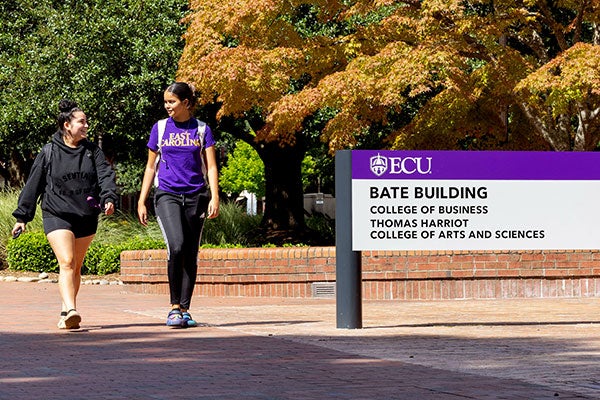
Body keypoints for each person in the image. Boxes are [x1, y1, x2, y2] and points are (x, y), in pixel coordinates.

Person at [12, 99, 117, 330]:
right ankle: (71, 309)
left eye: (86, 122)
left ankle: (65, 310)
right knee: (67, 261)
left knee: (76, 266)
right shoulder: (49, 151)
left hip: (86, 215)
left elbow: (106, 176)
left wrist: (109, 198)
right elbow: (34, 183)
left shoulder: (92, 152)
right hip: (56, 212)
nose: (86, 126)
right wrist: (22, 217)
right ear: (67, 125)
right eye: (82, 122)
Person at [137, 82, 220, 328]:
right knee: (177, 245)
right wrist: (142, 200)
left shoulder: (202, 129)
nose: (167, 107)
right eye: (165, 102)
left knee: (191, 252)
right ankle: (174, 307)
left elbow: (212, 166)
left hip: (196, 196)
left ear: (186, 103)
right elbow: (151, 167)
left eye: (172, 102)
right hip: (167, 194)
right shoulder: (160, 128)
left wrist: (215, 196)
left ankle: (185, 308)